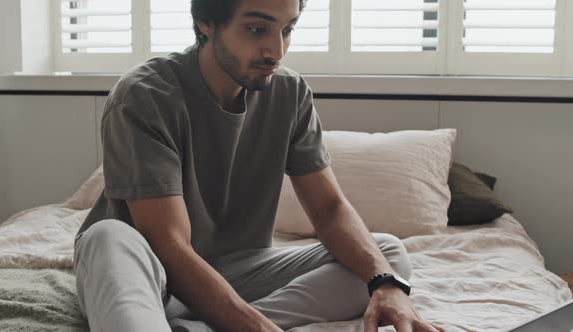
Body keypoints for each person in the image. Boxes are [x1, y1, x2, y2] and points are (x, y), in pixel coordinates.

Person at [73, 0, 446, 331]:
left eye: (288, 29)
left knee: (387, 257)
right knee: (107, 237)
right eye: (256, 29)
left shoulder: (289, 93)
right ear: (207, 22)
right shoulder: (144, 96)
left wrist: (386, 286)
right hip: (151, 273)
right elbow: (168, 244)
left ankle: (200, 326)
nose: (276, 50)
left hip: (239, 270)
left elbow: (329, 209)